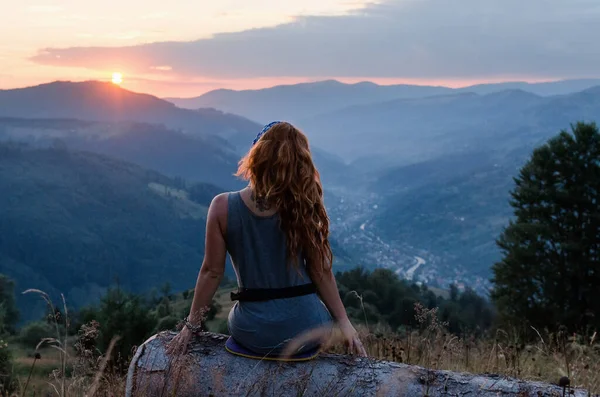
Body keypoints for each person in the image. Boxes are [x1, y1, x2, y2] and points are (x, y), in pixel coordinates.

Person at [166, 121, 366, 357]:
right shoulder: (303, 206)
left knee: (236, 314)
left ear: (255, 158)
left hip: (252, 331)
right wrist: (344, 322)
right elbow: (320, 271)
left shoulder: (222, 207)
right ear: (300, 164)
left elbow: (212, 272)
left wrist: (191, 327)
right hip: (308, 330)